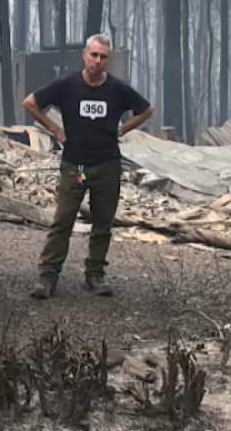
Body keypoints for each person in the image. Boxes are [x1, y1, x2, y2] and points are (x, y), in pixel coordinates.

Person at [21, 34, 155, 298]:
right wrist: (55, 129)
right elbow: (30, 103)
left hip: (106, 166)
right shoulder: (67, 85)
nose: (97, 61)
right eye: (93, 55)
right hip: (78, 169)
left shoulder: (117, 89)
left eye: (103, 57)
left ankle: (94, 275)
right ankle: (48, 277)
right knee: (63, 221)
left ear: (109, 60)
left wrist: (123, 128)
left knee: (103, 223)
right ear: (84, 55)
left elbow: (147, 109)